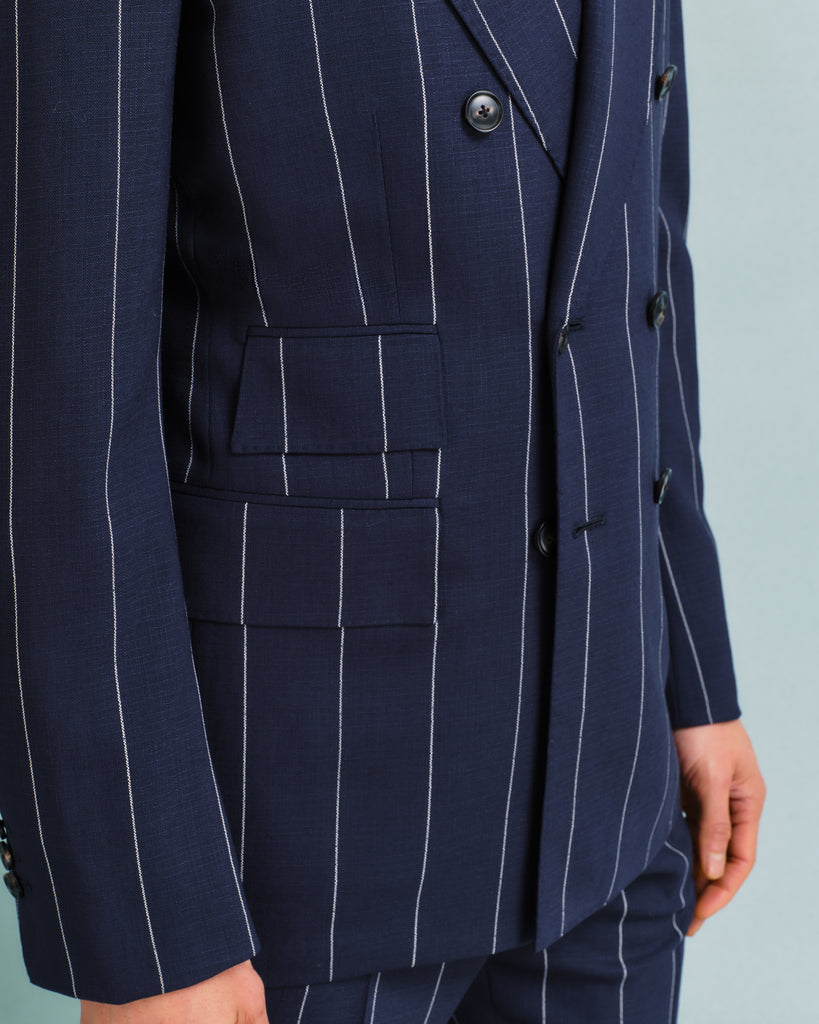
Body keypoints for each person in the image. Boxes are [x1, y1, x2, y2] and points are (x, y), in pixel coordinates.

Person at [0, 0, 765, 1021]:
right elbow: (55, 404)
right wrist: (144, 917)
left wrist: (693, 677)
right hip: (287, 855)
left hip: (612, 800)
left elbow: (635, 244)